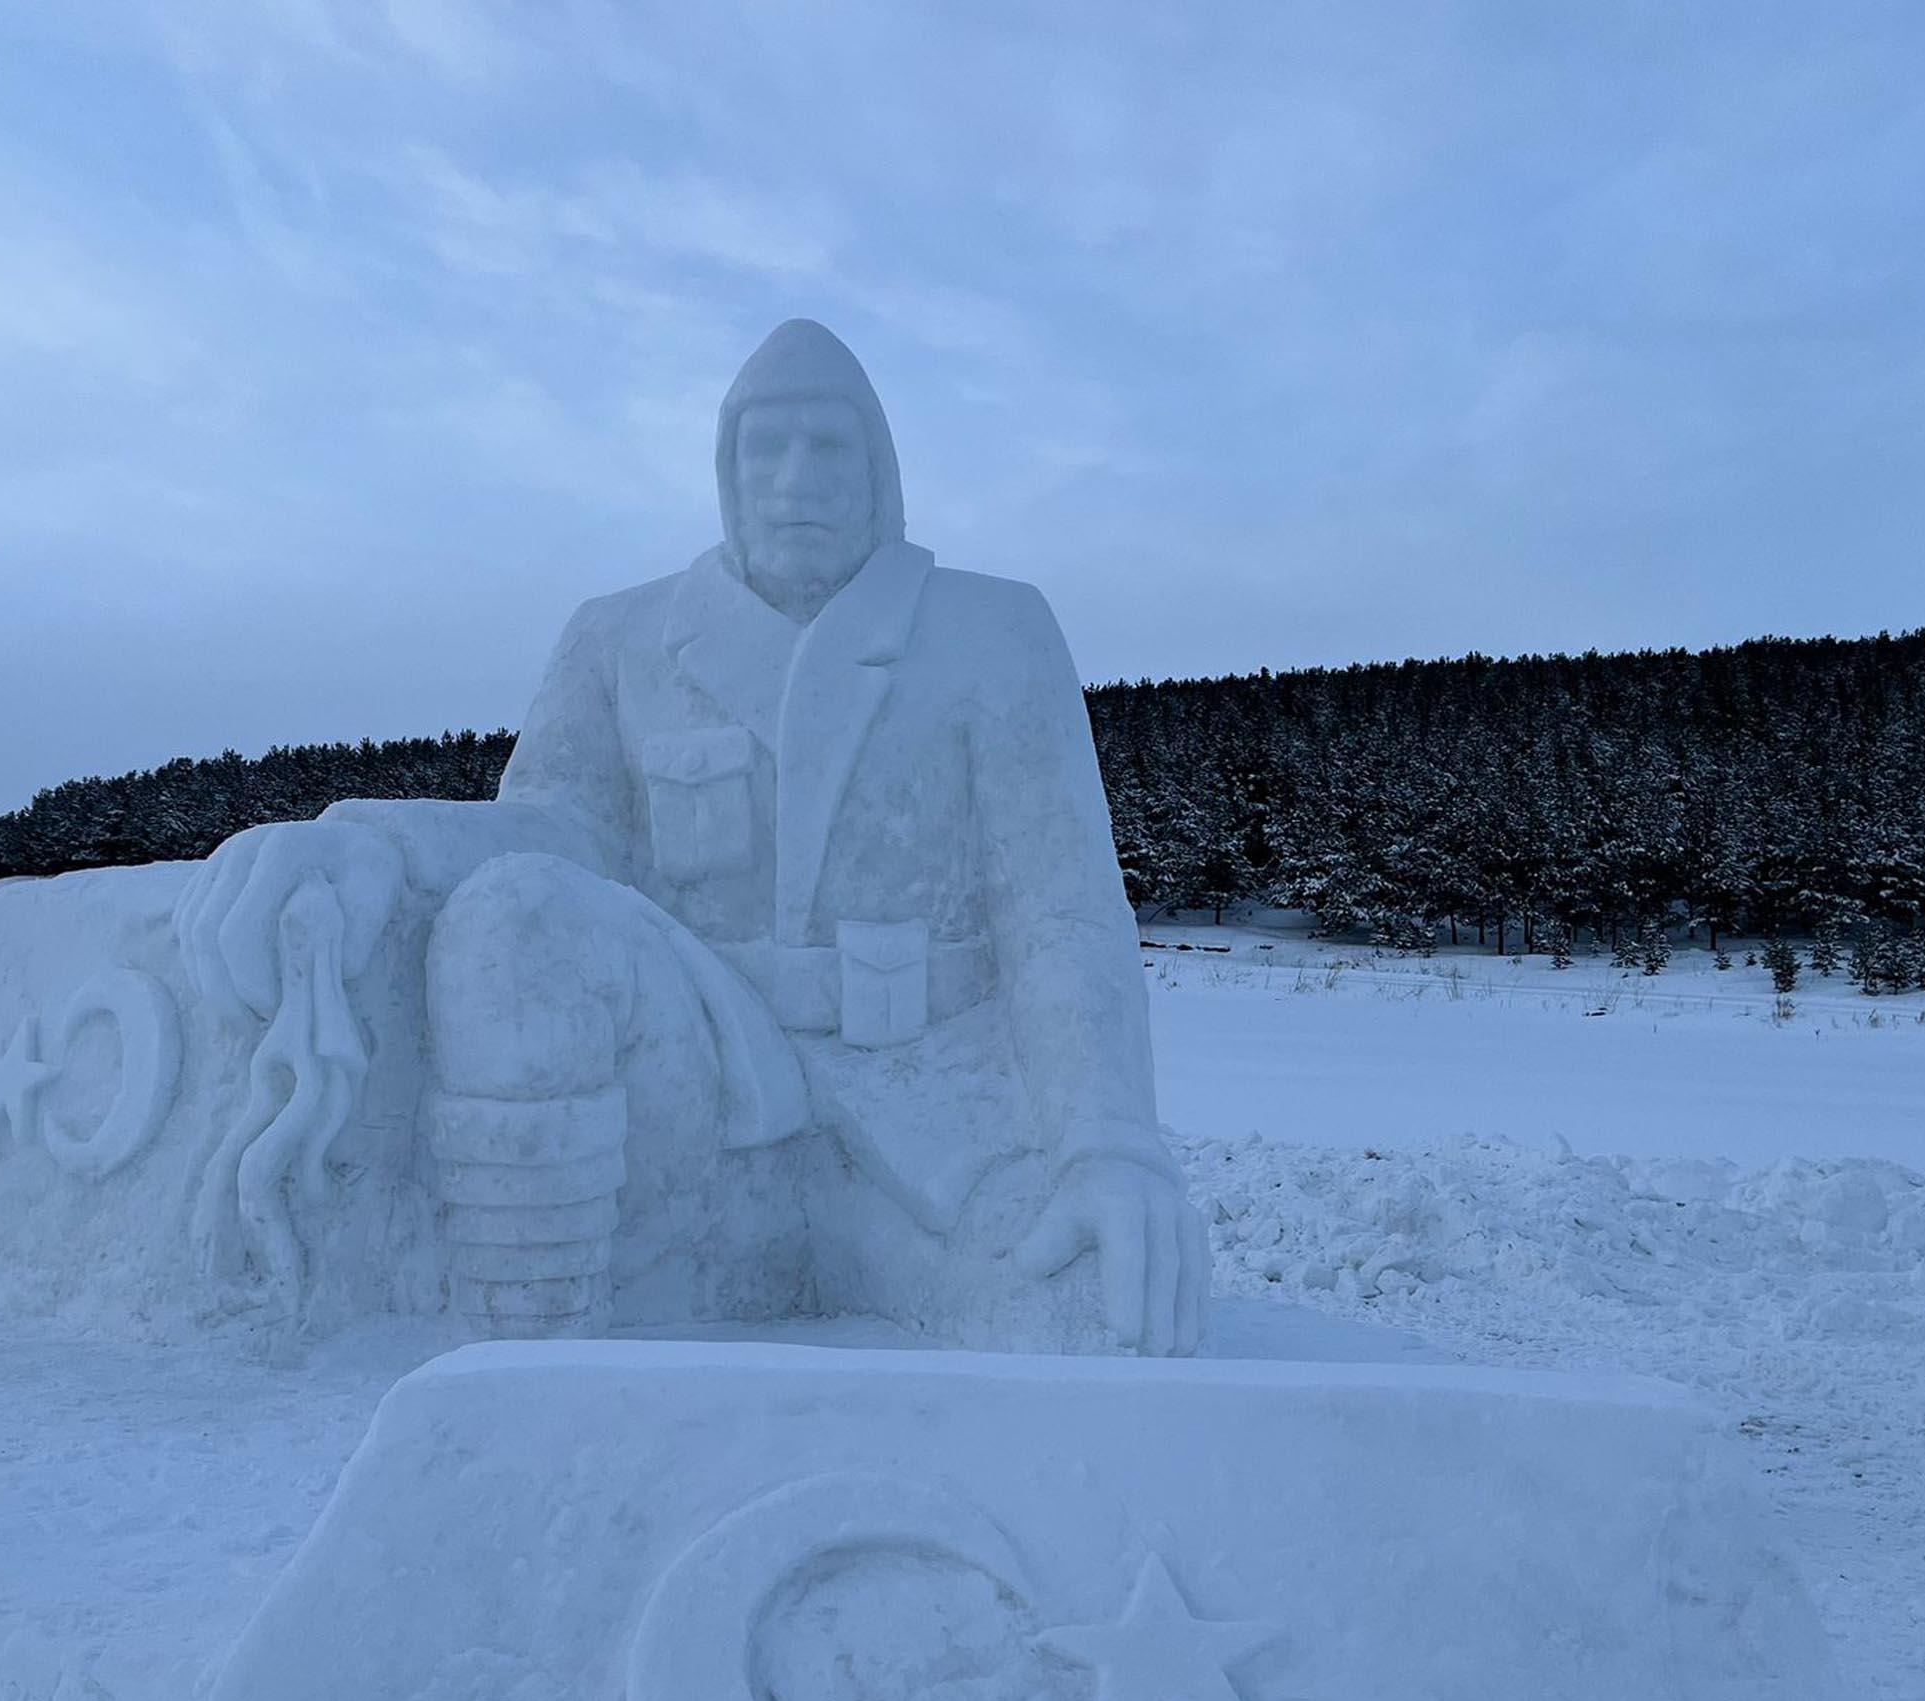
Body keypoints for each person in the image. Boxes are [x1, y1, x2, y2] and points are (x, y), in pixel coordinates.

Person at [174, 319, 1208, 1355]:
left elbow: (1057, 902)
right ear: (728, 469)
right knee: (515, 908)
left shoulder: (992, 630)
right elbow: (552, 835)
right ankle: (525, 1369)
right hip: (705, 1099)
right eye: (768, 446)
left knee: (1106, 1312)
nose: (795, 477)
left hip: (933, 1112)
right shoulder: (618, 637)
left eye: (828, 447)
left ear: (880, 469)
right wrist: (376, 842)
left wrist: (1106, 1141)